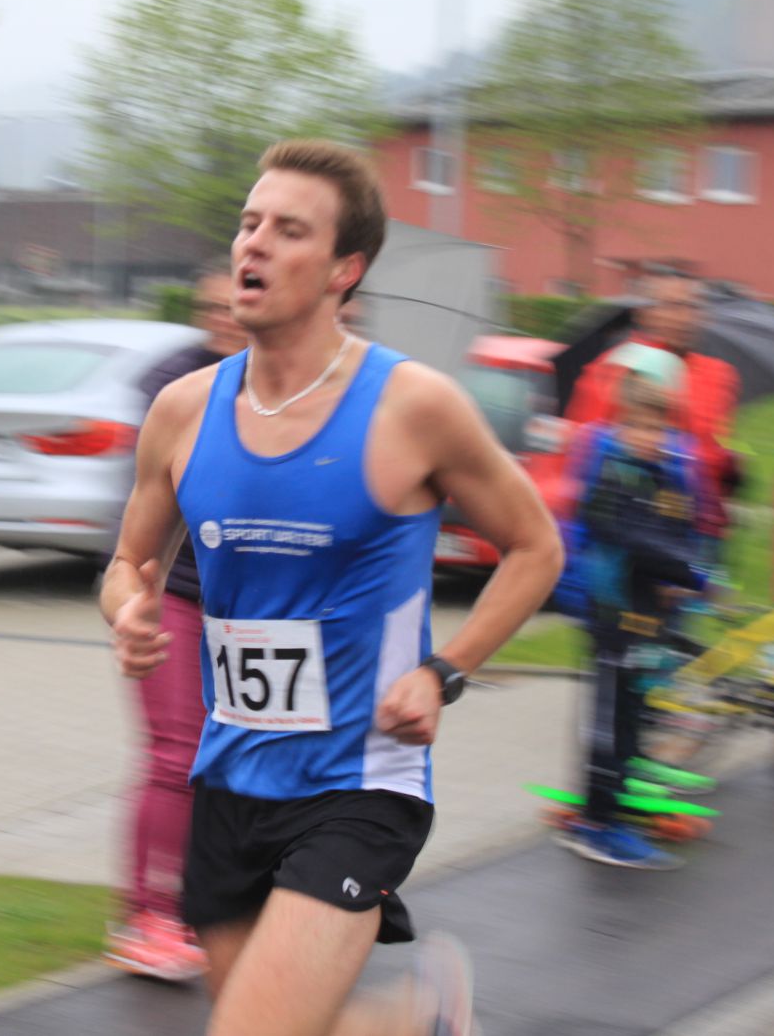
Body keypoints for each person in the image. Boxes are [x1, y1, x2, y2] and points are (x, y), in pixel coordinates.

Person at [101, 139, 563, 1036]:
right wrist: (127, 610)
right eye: (248, 222)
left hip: (359, 783)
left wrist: (444, 670)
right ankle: (415, 1019)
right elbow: (127, 563)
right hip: (229, 777)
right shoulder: (185, 410)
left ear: (344, 269)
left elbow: (536, 547)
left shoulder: (411, 406)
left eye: (287, 230)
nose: (254, 244)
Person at [103, 259, 246, 981]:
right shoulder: (178, 388)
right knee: (173, 754)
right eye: (210, 306)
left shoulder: (285, 387)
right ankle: (142, 915)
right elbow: (145, 516)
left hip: (246, 611)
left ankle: (195, 904)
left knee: (223, 766)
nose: (224, 317)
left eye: (235, 304)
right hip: (176, 594)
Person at [559, 354, 707, 869]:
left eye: (656, 425)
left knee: (631, 724)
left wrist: (686, 574)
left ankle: (610, 811)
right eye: (635, 424)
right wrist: (688, 572)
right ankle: (600, 824)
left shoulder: (664, 476)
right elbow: (633, 539)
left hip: (648, 623)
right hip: (613, 620)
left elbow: (677, 532)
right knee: (611, 726)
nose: (646, 435)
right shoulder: (615, 478)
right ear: (617, 424)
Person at [564, 268, 741, 543]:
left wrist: (731, 465)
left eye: (692, 306)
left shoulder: (719, 374)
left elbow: (716, 444)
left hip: (703, 525)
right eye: (672, 306)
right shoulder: (619, 366)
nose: (684, 317)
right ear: (645, 314)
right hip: (636, 525)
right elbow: (584, 443)